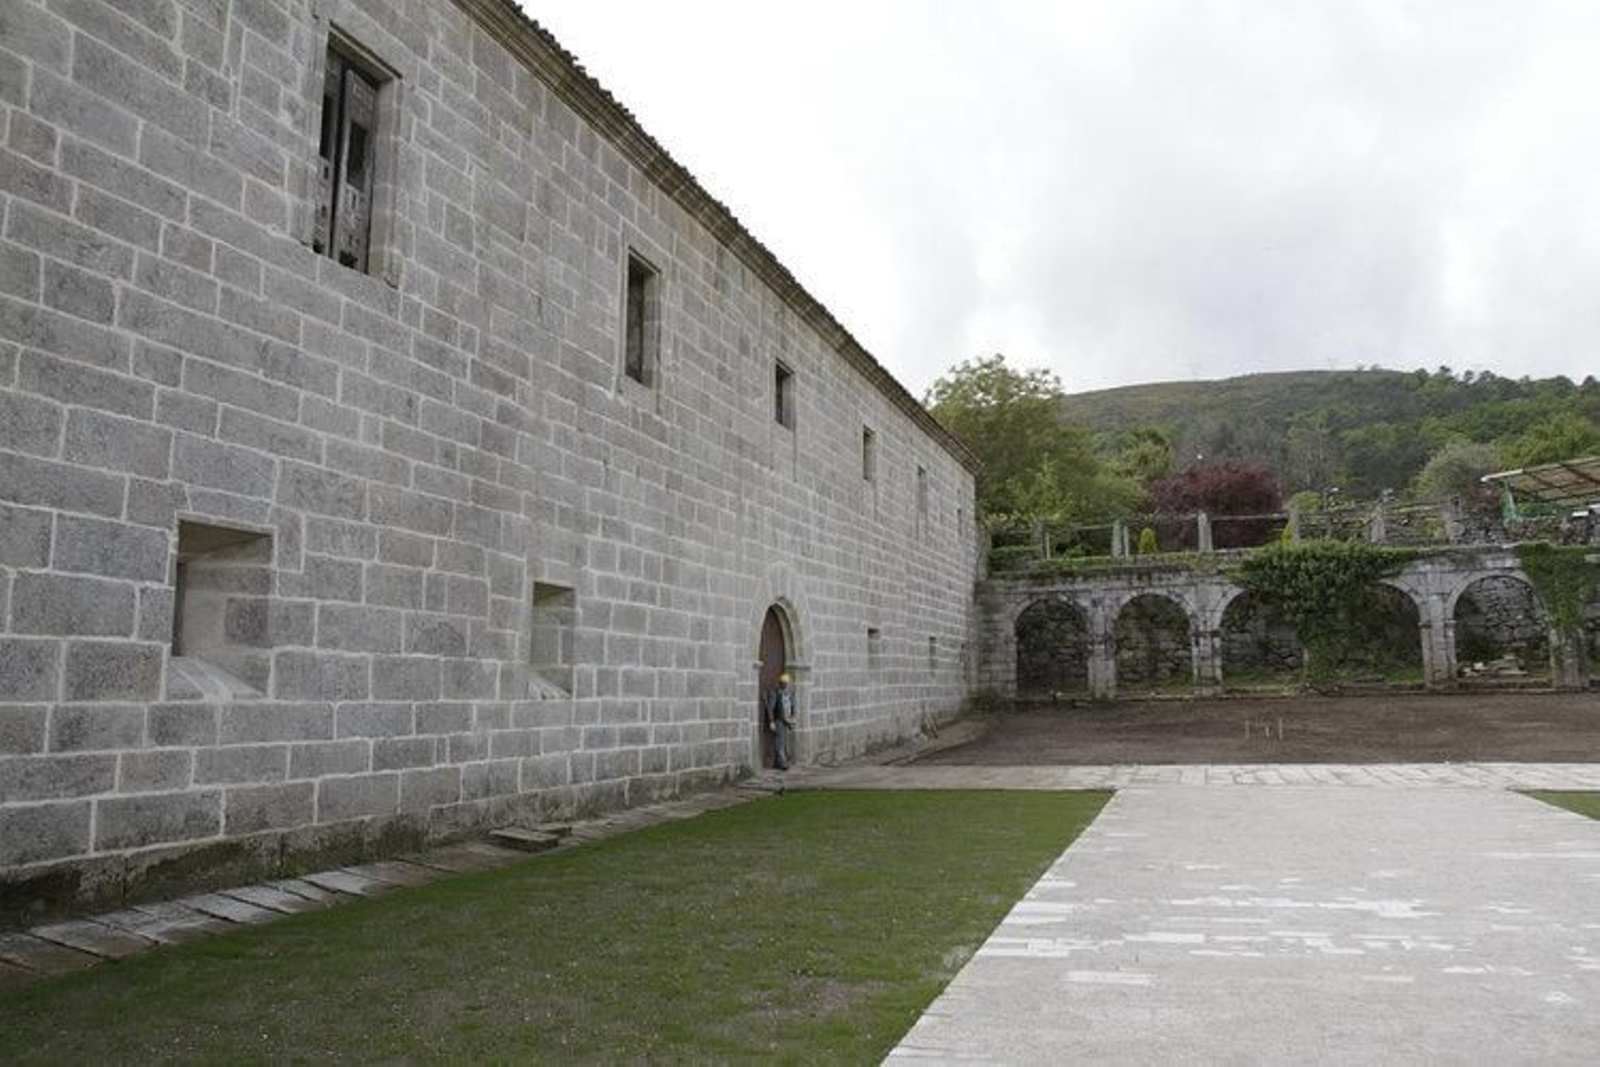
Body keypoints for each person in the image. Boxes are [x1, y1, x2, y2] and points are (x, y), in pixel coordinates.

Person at [763, 672, 797, 770]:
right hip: (778, 720)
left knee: (783, 742)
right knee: (779, 742)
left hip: (787, 720)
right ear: (780, 683)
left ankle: (778, 762)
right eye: (783, 683)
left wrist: (792, 718)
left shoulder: (788, 693)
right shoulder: (776, 693)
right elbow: (770, 708)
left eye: (786, 683)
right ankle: (782, 763)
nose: (785, 684)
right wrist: (771, 721)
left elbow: (792, 706)